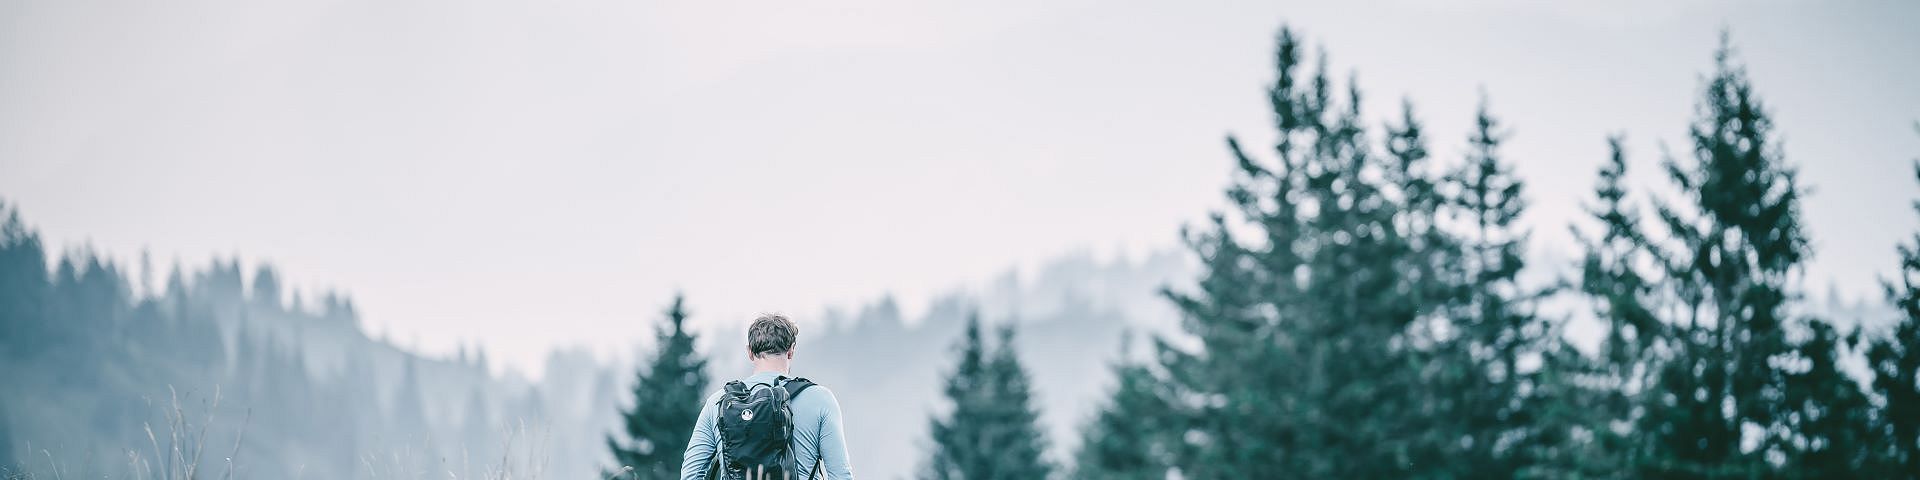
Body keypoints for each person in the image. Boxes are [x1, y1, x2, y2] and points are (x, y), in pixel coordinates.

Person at [681, 313, 854, 480]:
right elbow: (841, 475)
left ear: (750, 352)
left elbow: (691, 474)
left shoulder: (718, 403)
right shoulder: (820, 399)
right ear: (791, 351)